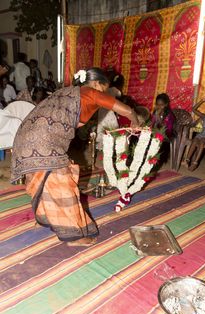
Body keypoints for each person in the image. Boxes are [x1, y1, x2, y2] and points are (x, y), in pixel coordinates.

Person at [11, 67, 139, 246]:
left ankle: (48, 217)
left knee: (45, 179)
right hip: (44, 141)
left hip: (25, 136)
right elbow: (125, 110)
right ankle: (74, 236)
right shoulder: (91, 92)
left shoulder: (66, 92)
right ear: (95, 83)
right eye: (104, 88)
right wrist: (136, 121)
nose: (104, 93)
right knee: (62, 183)